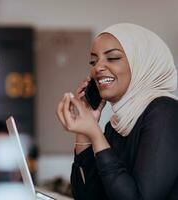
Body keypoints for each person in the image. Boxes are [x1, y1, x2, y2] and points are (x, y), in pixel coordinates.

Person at [56, 23, 178, 200]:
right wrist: (83, 132)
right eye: (93, 61)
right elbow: (88, 197)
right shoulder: (116, 126)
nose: (98, 67)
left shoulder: (165, 112)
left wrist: (95, 134)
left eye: (112, 58)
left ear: (141, 63)